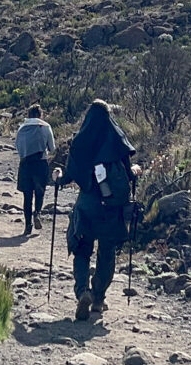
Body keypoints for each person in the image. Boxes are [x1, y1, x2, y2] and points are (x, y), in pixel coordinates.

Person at [56, 99, 140, 320]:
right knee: (107, 253)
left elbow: (68, 176)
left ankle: (83, 291)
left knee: (82, 251)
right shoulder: (117, 140)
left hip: (86, 207)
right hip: (111, 208)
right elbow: (127, 175)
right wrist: (136, 170)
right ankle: (98, 299)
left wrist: (58, 177)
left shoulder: (80, 141)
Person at [15, 104, 55, 236]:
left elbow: (17, 147)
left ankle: (28, 225)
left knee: (27, 196)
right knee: (39, 192)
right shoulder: (45, 126)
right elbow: (52, 148)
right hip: (40, 163)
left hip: (25, 164)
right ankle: (37, 213)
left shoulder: (22, 128)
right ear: (40, 114)